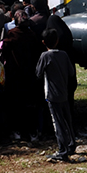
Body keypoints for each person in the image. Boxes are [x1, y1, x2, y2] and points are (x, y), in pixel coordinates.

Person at [35, 29, 78, 162]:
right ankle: (71, 145)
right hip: (64, 92)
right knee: (67, 120)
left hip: (52, 95)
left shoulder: (45, 56)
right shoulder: (64, 55)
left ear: (43, 42)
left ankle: (62, 151)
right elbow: (71, 72)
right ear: (57, 40)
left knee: (57, 122)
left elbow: (38, 73)